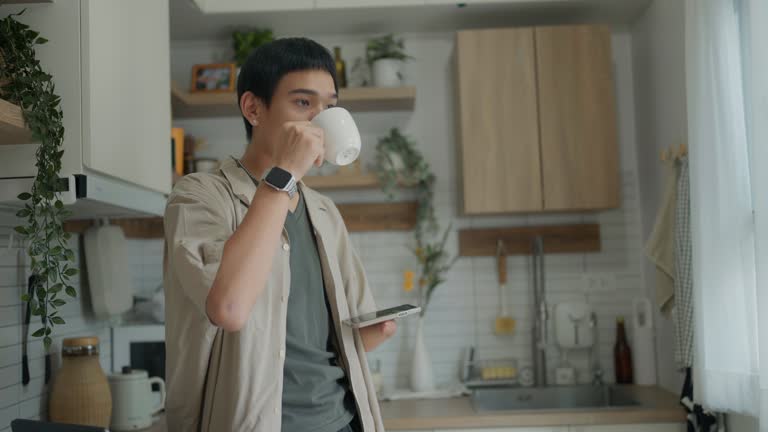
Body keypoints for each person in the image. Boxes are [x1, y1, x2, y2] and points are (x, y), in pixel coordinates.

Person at [162, 37, 397, 432]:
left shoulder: (324, 211)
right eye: (304, 104)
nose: (319, 120)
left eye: (330, 106)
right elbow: (229, 310)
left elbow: (349, 341)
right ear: (254, 108)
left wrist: (375, 330)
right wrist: (283, 176)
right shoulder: (198, 195)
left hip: (342, 422)